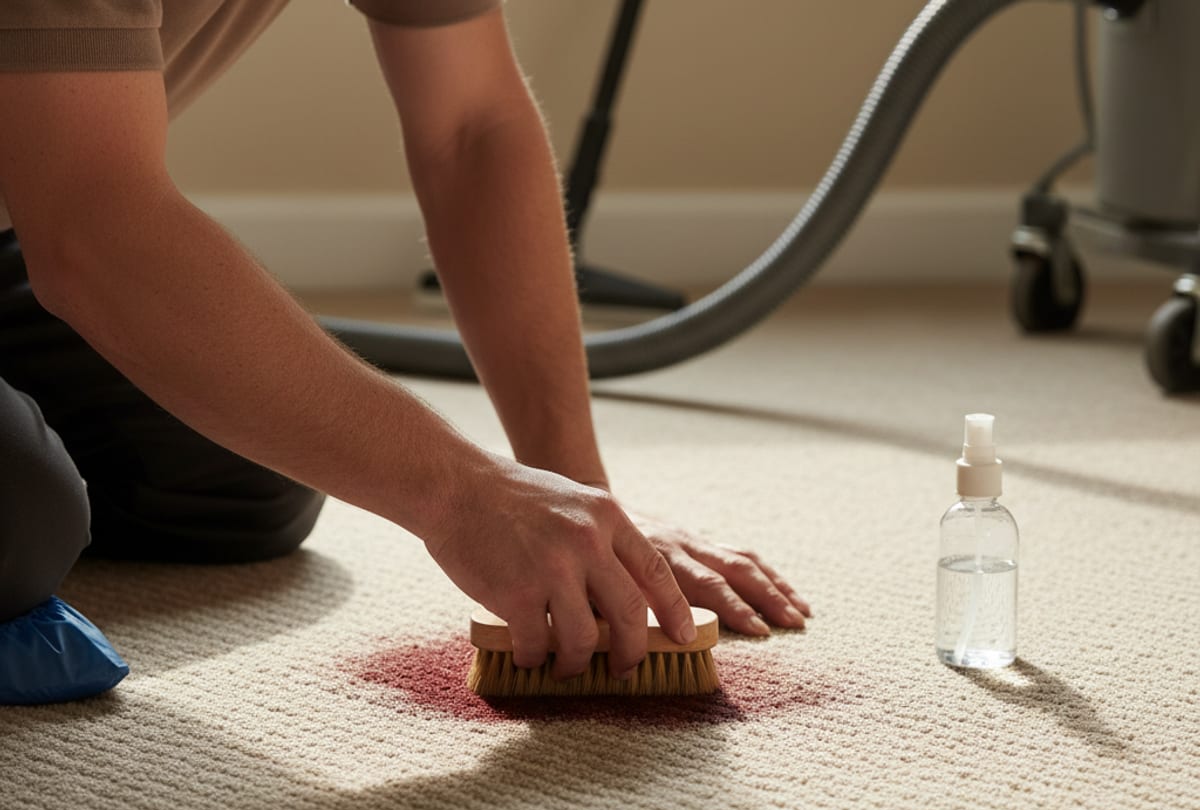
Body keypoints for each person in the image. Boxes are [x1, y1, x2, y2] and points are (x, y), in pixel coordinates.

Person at [0, 0, 811, 702]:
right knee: (24, 521)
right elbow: (93, 232)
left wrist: (577, 497)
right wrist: (464, 494)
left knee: (242, 476)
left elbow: (471, 127)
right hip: (62, 223)